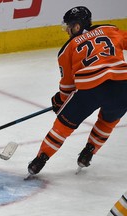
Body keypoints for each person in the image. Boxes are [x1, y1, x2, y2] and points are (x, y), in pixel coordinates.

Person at [28, 6, 127, 175]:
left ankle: (40, 159)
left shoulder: (67, 49)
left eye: (69, 26)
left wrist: (60, 101)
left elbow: (68, 86)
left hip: (91, 87)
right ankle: (88, 152)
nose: (67, 30)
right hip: (122, 85)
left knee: (63, 126)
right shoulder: (111, 29)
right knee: (107, 122)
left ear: (77, 26)